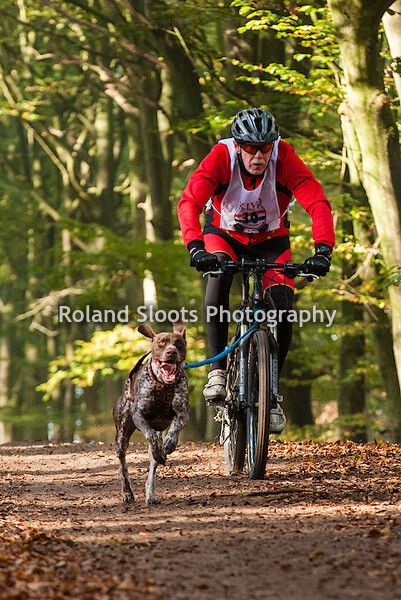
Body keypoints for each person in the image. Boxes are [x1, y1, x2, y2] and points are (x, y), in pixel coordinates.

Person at [177, 107, 335, 433]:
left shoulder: (285, 158)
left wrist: (323, 249)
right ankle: (217, 370)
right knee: (218, 277)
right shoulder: (221, 157)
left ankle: (272, 394)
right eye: (251, 148)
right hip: (224, 235)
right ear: (238, 146)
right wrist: (195, 247)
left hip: (272, 241)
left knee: (283, 307)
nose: (259, 156)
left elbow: (317, 202)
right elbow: (190, 202)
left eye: (265, 148)